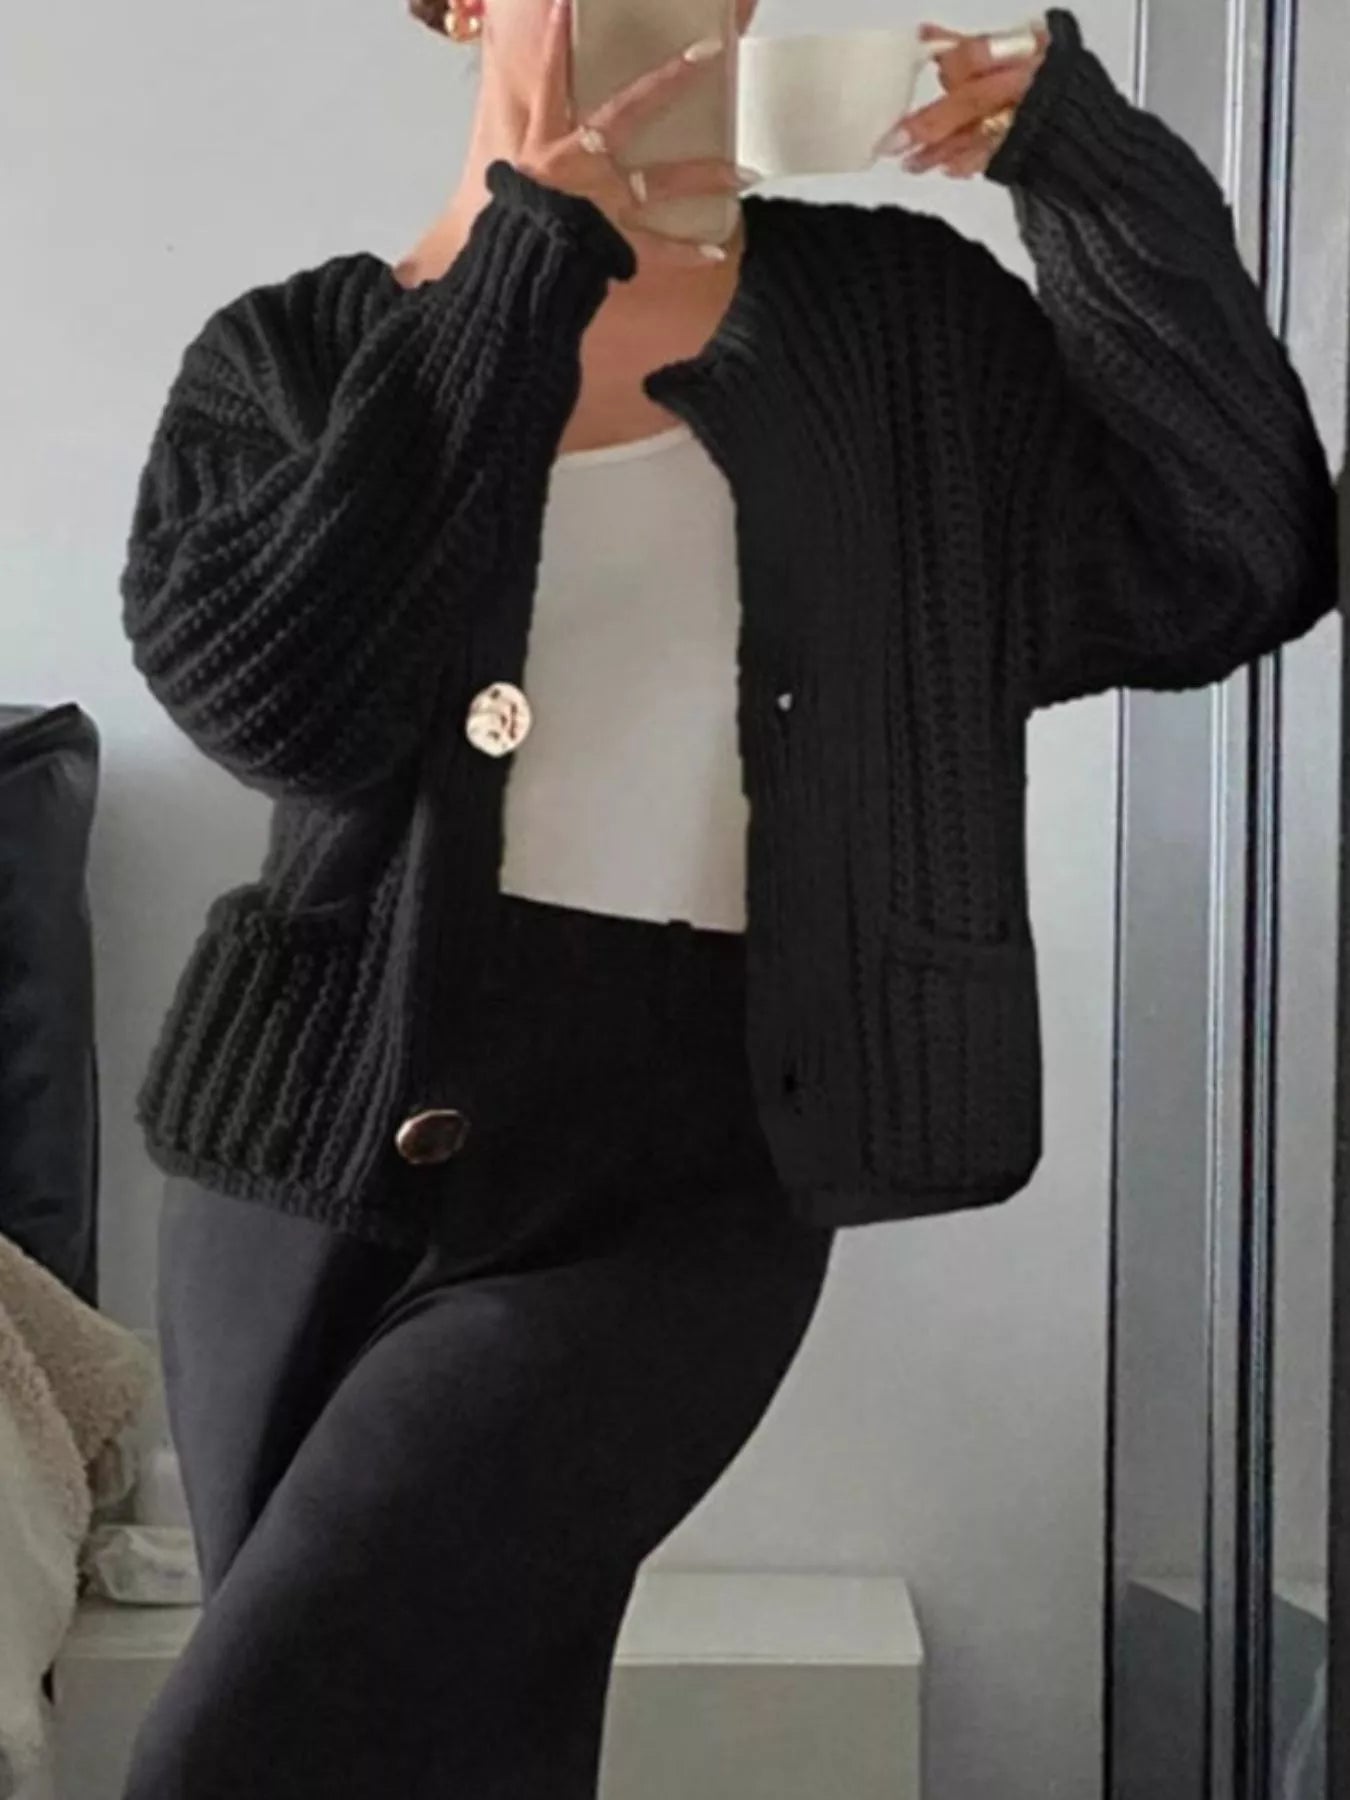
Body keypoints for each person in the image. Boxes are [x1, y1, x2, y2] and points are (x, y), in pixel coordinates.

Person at [117, 2, 1337, 1795]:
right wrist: (521, 271)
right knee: (459, 1746)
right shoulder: (298, 351)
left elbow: (1231, 555)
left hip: (696, 1169)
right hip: (308, 1149)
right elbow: (275, 709)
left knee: (257, 1745)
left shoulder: (895, 328)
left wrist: (1089, 177)